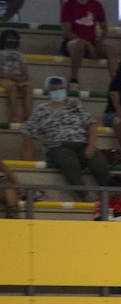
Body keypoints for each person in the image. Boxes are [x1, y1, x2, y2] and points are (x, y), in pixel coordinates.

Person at [26, 76, 110, 200]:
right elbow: (28, 133)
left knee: (98, 160)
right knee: (68, 161)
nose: (58, 92)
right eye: (54, 89)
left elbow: (91, 124)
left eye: (60, 89)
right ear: (49, 92)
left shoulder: (75, 104)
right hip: (57, 146)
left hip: (81, 143)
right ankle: (84, 195)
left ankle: (110, 195)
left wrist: (91, 145)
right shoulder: (41, 110)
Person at [59, 0, 114, 87]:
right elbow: (67, 32)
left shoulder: (96, 5)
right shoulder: (68, 5)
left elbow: (104, 28)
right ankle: (74, 79)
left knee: (110, 50)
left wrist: (99, 42)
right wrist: (87, 44)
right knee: (79, 44)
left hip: (91, 44)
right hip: (72, 43)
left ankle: (115, 82)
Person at [0, 29, 33, 159]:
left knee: (28, 88)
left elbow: (25, 74)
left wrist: (19, 77)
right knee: (12, 87)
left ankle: (28, 115)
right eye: (9, 39)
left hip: (18, 78)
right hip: (6, 79)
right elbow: (1, 73)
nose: (12, 42)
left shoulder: (20, 55)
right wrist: (15, 77)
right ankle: (14, 114)